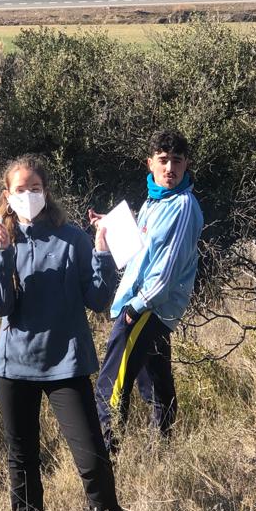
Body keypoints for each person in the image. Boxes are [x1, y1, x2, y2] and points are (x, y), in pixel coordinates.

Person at [0, 154, 126, 511]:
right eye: (20, 190)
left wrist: (101, 252)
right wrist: (0, 254)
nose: (28, 195)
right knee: (22, 458)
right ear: (7, 195)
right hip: (14, 367)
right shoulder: (4, 240)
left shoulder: (72, 238)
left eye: (35, 188)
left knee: (91, 454)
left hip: (67, 363)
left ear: (46, 191)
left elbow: (98, 299)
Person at [95, 129, 203, 452]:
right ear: (150, 164)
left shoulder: (183, 205)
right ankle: (163, 453)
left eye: (177, 162)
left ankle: (107, 460)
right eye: (163, 160)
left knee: (112, 384)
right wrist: (110, 224)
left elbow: (166, 269)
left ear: (186, 166)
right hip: (147, 308)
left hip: (147, 309)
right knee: (156, 384)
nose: (170, 168)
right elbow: (140, 247)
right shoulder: (154, 203)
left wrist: (135, 307)